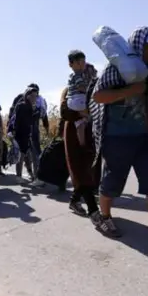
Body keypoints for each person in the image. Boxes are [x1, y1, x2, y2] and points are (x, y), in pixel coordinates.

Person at [90, 25, 148, 246]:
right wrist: (130, 90)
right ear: (139, 45)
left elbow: (145, 107)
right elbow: (98, 96)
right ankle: (105, 217)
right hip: (116, 137)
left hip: (141, 137)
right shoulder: (115, 68)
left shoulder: (147, 71)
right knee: (112, 183)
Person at [60, 86, 101, 217]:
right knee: (84, 176)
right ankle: (94, 212)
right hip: (79, 144)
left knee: (82, 176)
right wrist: (86, 148)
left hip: (80, 143)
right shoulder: (77, 113)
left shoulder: (74, 114)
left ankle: (74, 200)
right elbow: (80, 133)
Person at [66, 50, 98, 147]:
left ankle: (82, 144)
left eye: (83, 62)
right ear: (71, 64)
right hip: (77, 99)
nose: (82, 65)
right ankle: (88, 116)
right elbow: (82, 87)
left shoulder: (80, 74)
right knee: (93, 104)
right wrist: (91, 89)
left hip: (74, 101)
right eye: (78, 63)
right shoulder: (76, 75)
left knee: (80, 124)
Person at [9, 87, 40, 183]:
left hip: (27, 133)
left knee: (28, 155)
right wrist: (14, 131)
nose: (34, 98)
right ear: (27, 95)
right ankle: (19, 176)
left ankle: (32, 175)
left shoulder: (33, 106)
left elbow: (32, 120)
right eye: (32, 95)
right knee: (21, 155)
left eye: (35, 96)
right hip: (20, 133)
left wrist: (35, 112)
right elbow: (17, 120)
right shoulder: (21, 105)